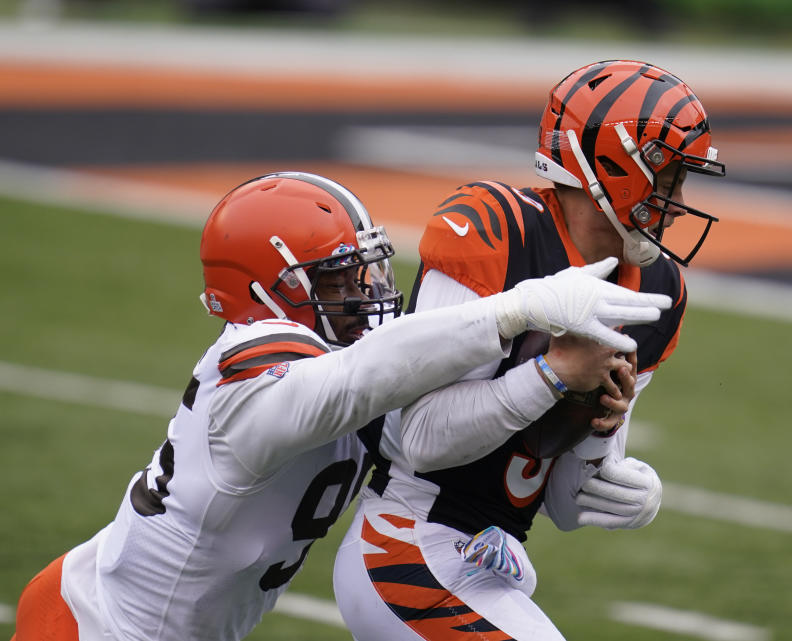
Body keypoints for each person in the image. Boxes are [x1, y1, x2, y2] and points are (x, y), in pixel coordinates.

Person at [9, 171, 674, 641]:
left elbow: (414, 409)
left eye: (368, 269)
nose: (368, 291)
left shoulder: (329, 357)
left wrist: (595, 444)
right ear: (267, 291)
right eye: (337, 278)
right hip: (98, 624)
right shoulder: (249, 373)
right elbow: (362, 379)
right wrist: (516, 309)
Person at [333, 59, 727, 640]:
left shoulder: (659, 287)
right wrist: (551, 374)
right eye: (667, 176)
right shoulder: (497, 227)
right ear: (616, 165)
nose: (676, 199)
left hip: (493, 556)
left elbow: (562, 505)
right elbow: (420, 440)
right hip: (407, 536)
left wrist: (607, 454)